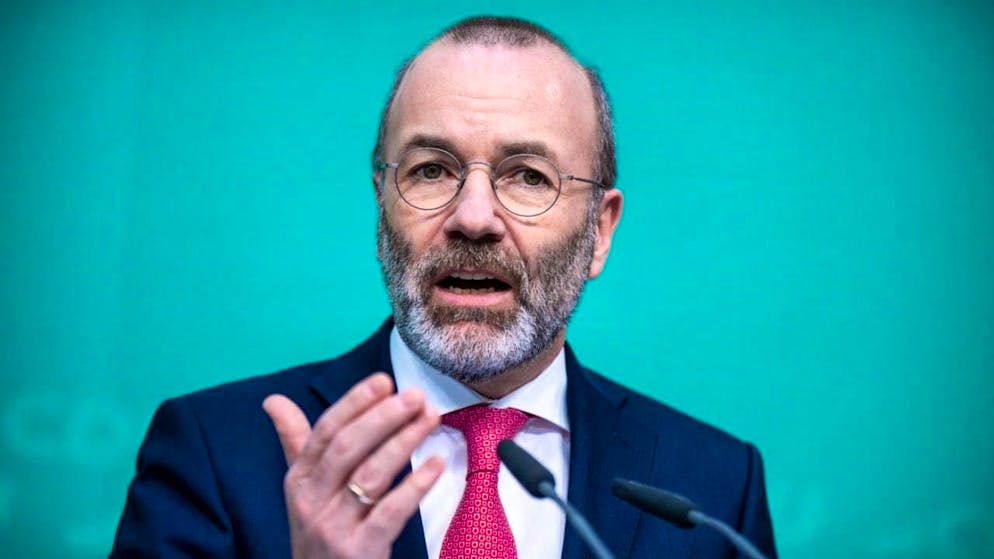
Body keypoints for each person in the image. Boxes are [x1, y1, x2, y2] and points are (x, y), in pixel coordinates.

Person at [111, 15, 776, 559]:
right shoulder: (214, 454)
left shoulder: (712, 489)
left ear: (600, 231)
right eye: (431, 170)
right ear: (382, 206)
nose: (474, 218)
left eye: (528, 176)